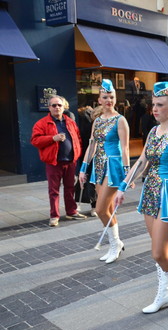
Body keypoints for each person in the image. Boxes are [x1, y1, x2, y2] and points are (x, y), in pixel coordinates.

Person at [115, 81, 168, 315]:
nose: (155, 109)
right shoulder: (153, 131)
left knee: (158, 252)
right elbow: (142, 161)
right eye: (153, 104)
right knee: (160, 249)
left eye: (160, 105)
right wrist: (123, 186)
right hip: (151, 191)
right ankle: (164, 293)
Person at [79, 79, 130, 264]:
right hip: (98, 167)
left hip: (113, 167)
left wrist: (127, 174)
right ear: (99, 99)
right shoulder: (98, 120)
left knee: (100, 209)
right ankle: (116, 242)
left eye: (112, 97)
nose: (109, 100)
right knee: (107, 209)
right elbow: (91, 145)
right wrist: (84, 168)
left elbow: (125, 149)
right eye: (105, 97)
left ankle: (115, 244)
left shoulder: (120, 120)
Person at [31, 95, 87, 227]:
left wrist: (77, 153)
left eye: (59, 105)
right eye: (54, 105)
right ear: (49, 107)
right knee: (54, 190)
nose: (57, 107)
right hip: (54, 162)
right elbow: (35, 141)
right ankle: (54, 215)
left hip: (70, 161)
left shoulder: (70, 122)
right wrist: (52, 138)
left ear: (64, 107)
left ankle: (71, 211)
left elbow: (78, 138)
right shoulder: (42, 123)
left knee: (70, 188)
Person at [77, 106, 98, 216]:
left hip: (88, 157)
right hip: (91, 157)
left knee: (92, 182)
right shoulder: (91, 126)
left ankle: (96, 206)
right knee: (93, 183)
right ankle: (95, 206)